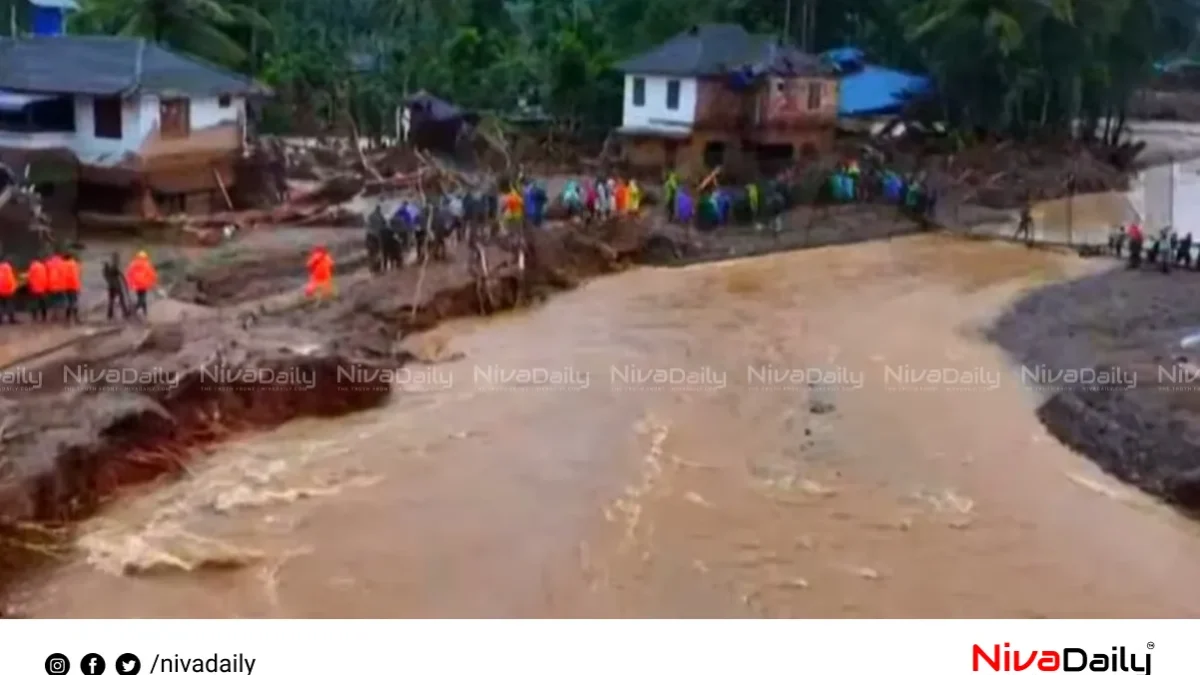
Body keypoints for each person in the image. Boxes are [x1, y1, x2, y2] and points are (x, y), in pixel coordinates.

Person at [125, 250, 158, 317]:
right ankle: (132, 312)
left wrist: (130, 284)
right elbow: (152, 275)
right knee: (142, 299)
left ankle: (145, 313)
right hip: (144, 285)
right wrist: (153, 283)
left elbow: (128, 274)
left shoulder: (132, 264)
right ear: (145, 257)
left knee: (142, 298)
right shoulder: (147, 264)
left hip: (136, 285)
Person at [102, 252, 129, 319]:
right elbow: (122, 276)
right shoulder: (115, 266)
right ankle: (125, 312)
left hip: (110, 286)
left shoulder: (106, 270)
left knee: (111, 300)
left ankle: (109, 314)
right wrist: (126, 284)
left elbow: (106, 277)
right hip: (117, 286)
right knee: (121, 299)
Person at [25, 257, 48, 321]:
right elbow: (45, 276)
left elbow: (29, 277)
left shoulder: (32, 267)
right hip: (42, 287)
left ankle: (34, 317)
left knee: (34, 303)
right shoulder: (43, 266)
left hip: (34, 288)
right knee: (43, 303)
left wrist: (29, 285)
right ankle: (44, 316)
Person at [62, 252, 81, 323]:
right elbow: (76, 276)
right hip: (73, 286)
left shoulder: (63, 265)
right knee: (74, 302)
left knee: (69, 302)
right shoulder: (74, 264)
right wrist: (78, 287)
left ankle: (67, 318)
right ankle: (76, 317)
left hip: (65, 287)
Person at [45, 250, 65, 320]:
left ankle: (54, 315)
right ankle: (60, 315)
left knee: (53, 301)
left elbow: (45, 274)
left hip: (51, 285)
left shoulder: (48, 263)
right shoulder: (62, 263)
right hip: (61, 286)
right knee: (61, 301)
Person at [0, 258, 16, 324]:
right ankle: (11, 319)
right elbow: (11, 279)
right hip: (8, 290)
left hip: (0, 290)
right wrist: (13, 287)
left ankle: (0, 320)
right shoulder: (8, 268)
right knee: (9, 304)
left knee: (1, 305)